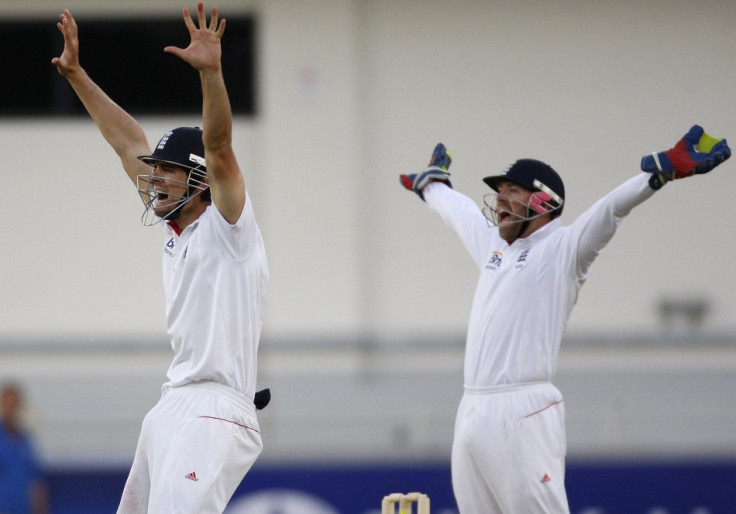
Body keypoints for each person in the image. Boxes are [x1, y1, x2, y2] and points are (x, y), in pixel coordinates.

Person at [399, 126, 730, 513]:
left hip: (522, 411)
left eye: (513, 191)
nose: (501, 199)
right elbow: (461, 213)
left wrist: (658, 174)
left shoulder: (563, 250)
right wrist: (433, 186)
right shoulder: (495, 248)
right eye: (500, 191)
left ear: (542, 201)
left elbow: (610, 210)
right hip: (471, 408)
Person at [52, 3, 270, 512]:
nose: (156, 179)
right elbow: (127, 141)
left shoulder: (230, 227)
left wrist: (212, 74)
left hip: (216, 407)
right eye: (157, 171)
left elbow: (218, 147)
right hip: (172, 403)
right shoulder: (175, 228)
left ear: (199, 180)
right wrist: (79, 76)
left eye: (169, 171)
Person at [0, 383, 49, 514]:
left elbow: (37, 481)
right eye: (7, 403)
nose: (11, 408)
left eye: (14, 403)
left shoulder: (27, 440)